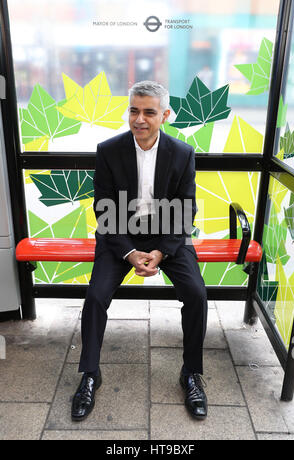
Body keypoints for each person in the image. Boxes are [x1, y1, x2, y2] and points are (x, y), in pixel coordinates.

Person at [71, 81, 208, 422]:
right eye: (134, 110)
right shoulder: (108, 150)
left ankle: (191, 373)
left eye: (149, 112)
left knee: (196, 293)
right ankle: (90, 374)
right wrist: (129, 253)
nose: (140, 119)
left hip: (167, 236)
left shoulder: (182, 153)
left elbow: (185, 211)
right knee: (96, 295)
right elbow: (103, 208)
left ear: (165, 114)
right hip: (120, 236)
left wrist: (162, 252)